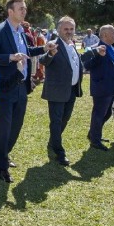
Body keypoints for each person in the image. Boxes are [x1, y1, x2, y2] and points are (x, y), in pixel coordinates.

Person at [0, 0, 48, 182]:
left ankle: (4, 155)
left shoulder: (21, 31)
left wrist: (44, 48)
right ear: (10, 12)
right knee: (4, 127)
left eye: (25, 8)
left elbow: (26, 51)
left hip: (21, 86)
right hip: (5, 87)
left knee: (17, 125)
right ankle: (1, 166)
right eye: (20, 9)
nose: (24, 11)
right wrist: (10, 57)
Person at [40, 17, 83, 165]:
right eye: (66, 29)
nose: (69, 32)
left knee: (65, 118)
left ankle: (53, 141)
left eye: (71, 29)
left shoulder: (72, 44)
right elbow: (43, 60)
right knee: (57, 121)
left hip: (71, 89)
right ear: (59, 30)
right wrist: (50, 54)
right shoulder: (54, 44)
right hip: (57, 90)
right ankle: (59, 150)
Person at [82, 25, 114, 151]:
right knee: (99, 113)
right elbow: (87, 65)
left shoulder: (111, 48)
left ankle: (94, 134)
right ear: (104, 35)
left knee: (108, 112)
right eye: (113, 32)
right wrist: (99, 55)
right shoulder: (95, 48)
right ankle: (95, 140)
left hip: (113, 87)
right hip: (102, 88)